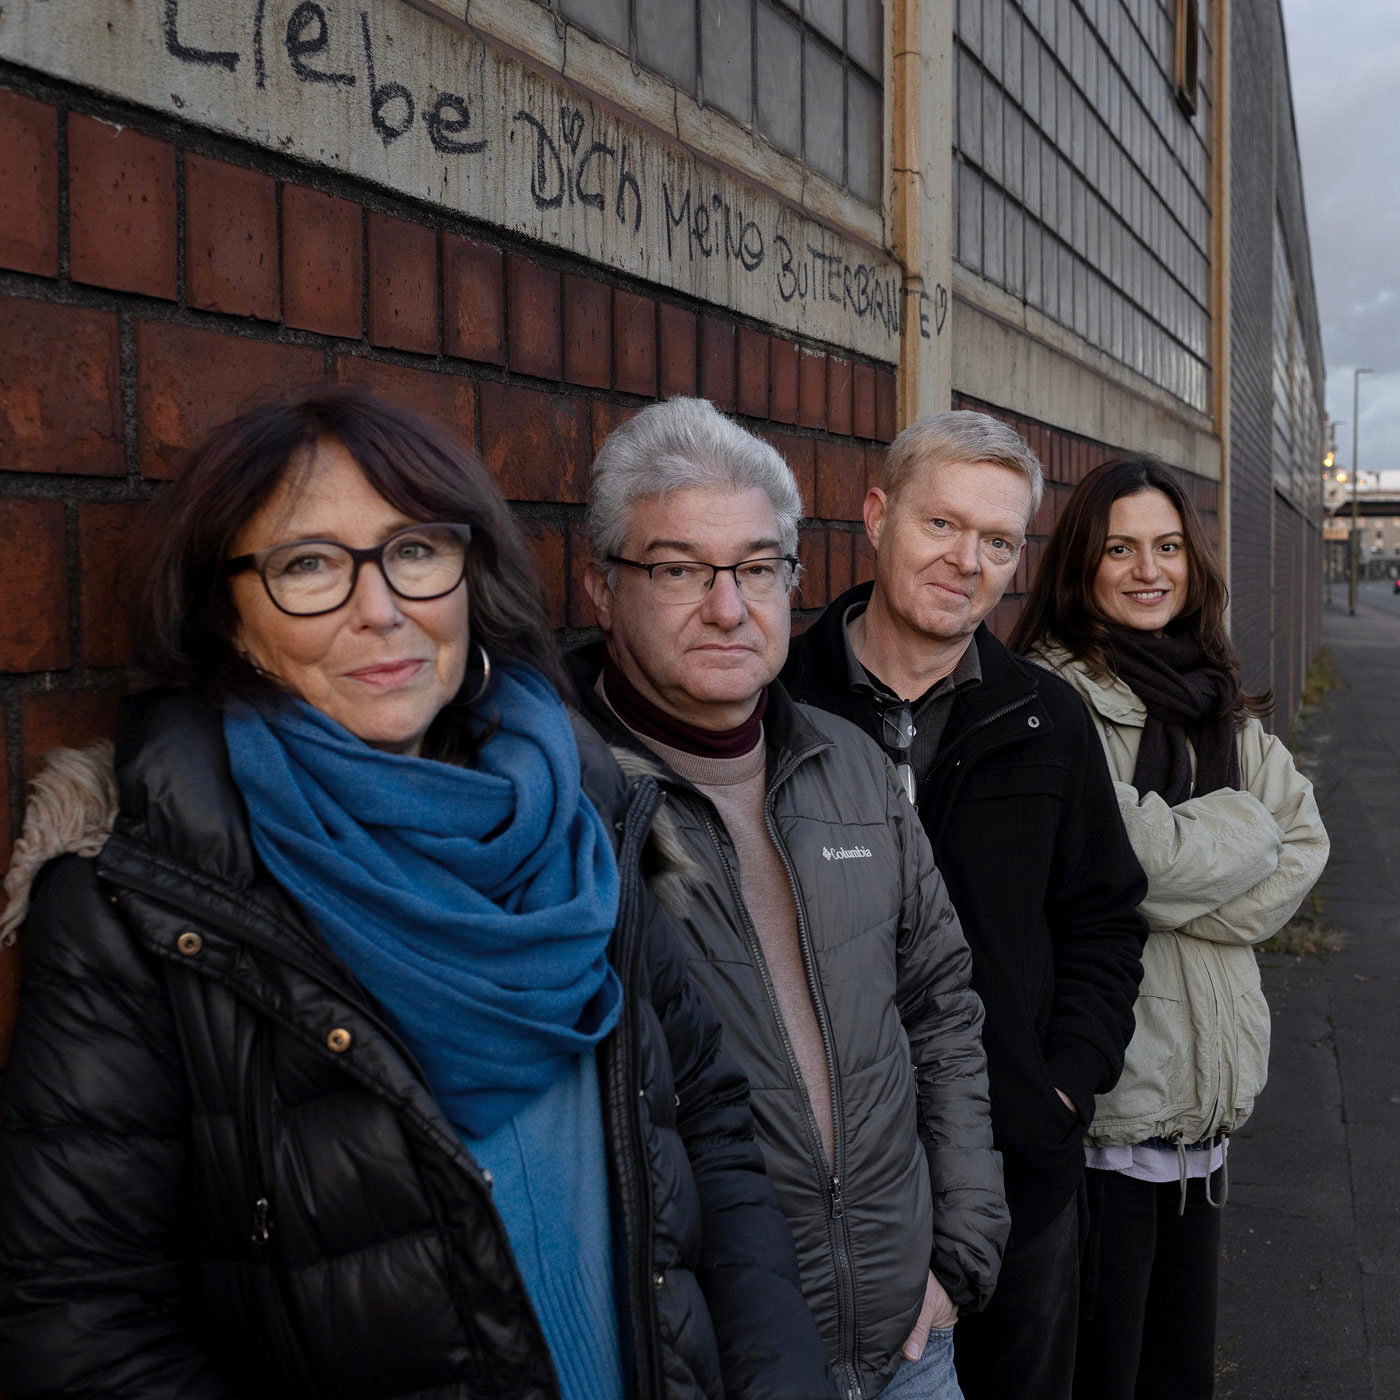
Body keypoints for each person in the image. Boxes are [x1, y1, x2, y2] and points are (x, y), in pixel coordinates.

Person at [0, 387, 836, 1400]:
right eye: (307, 564)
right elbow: (82, 1319)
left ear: (468, 571)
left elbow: (704, 1119)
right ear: (230, 616)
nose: (380, 606)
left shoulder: (581, 812)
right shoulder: (140, 898)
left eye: (414, 550)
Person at [569, 396, 1009, 1400]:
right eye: (679, 568)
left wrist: (962, 1237)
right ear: (599, 585)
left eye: (757, 567)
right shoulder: (566, 800)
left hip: (909, 1339)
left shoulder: (846, 762)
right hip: (716, 1356)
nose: (728, 606)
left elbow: (939, 1003)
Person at [781, 411, 1149, 1400]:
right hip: (819, 1185)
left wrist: (1060, 1087)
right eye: (940, 524)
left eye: (996, 540)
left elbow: (1104, 916)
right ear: (874, 515)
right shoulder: (778, 704)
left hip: (1016, 1172)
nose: (965, 561)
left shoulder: (1043, 715)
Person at [1008, 456, 1329, 1400]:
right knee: (1103, 1377)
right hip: (1113, 1113)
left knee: (1181, 1378)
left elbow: (1304, 844)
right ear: (1081, 565)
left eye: (1168, 546)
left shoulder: (1211, 696)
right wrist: (1241, 836)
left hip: (1206, 1117)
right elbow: (1115, 854)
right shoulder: (1048, 699)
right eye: (1120, 548)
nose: (1149, 570)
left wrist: (1170, 880)